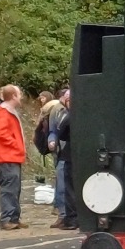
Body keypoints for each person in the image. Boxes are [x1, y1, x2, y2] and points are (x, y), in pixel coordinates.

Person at [0, 84, 28, 229]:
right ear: (13, 96)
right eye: (19, 94)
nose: (21, 97)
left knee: (15, 188)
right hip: (6, 156)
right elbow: (1, 133)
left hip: (11, 156)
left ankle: (13, 218)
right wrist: (17, 145)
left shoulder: (6, 111)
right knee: (9, 188)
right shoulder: (3, 112)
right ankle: (7, 219)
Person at [48, 90, 76, 230]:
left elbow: (60, 132)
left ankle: (70, 219)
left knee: (68, 188)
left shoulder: (69, 116)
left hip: (69, 154)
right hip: (84, 155)